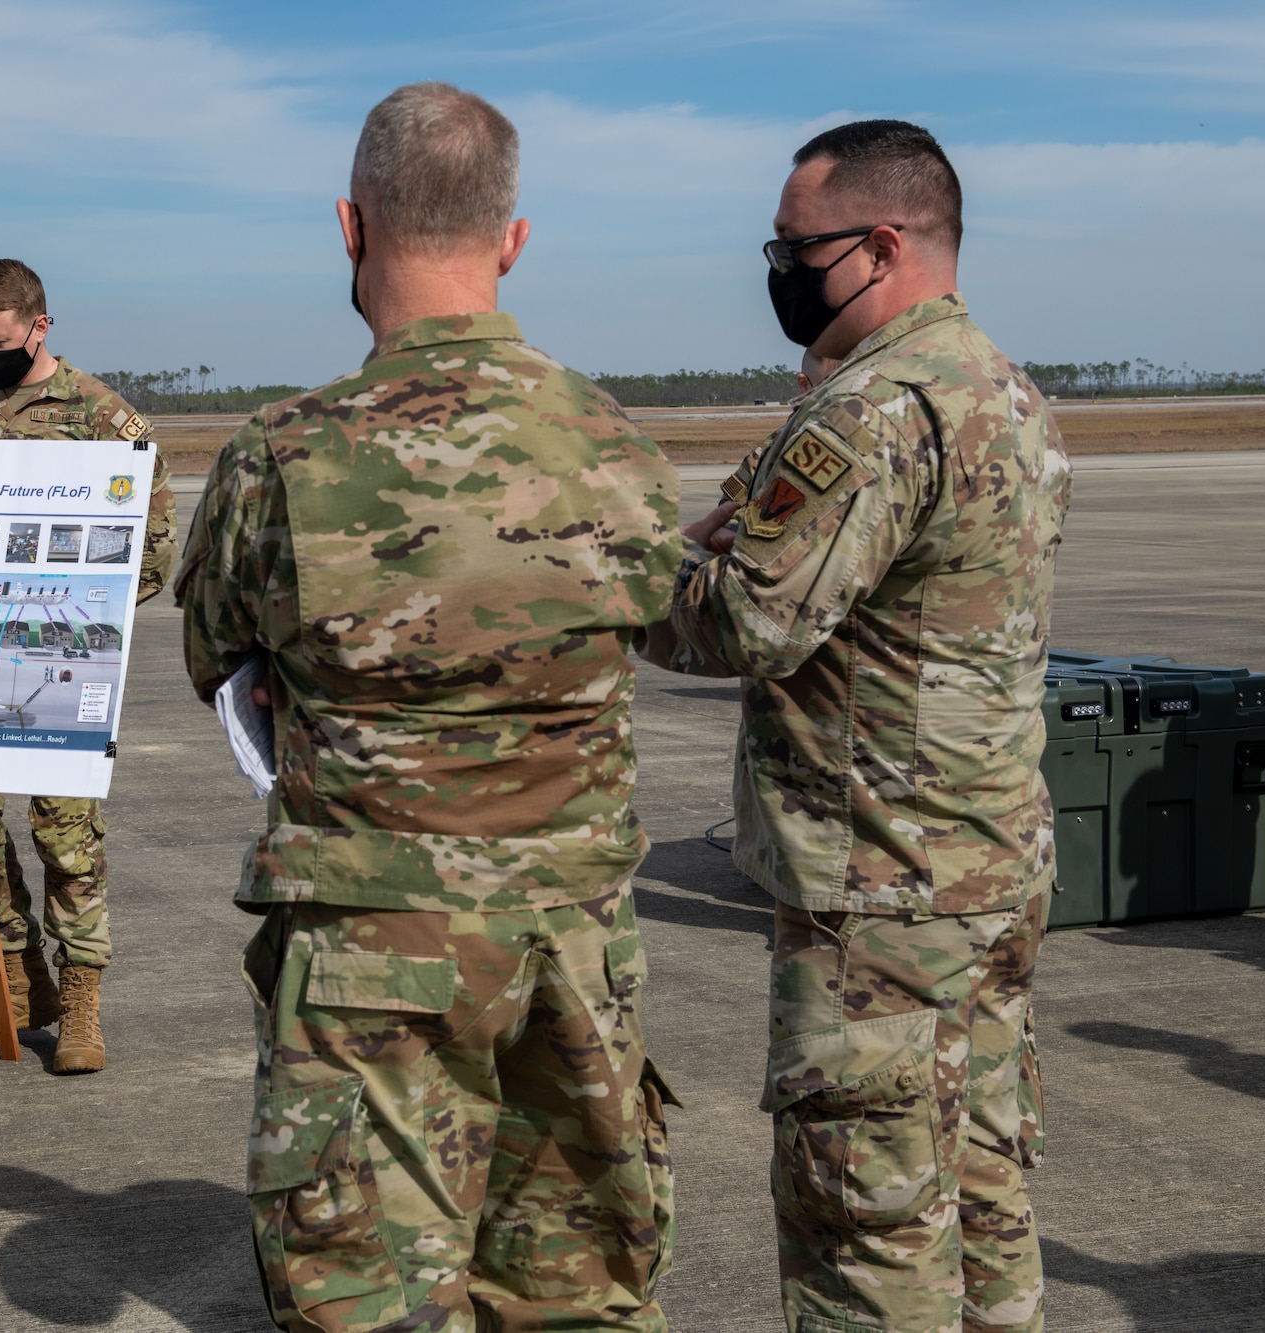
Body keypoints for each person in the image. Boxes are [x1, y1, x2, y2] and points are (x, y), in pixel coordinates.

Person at [177, 83, 685, 1331]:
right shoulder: (614, 445)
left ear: (349, 229)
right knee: (573, 1293)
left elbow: (216, 652)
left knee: (371, 1297)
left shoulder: (282, 455)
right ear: (510, 240)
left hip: (373, 951)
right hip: (572, 941)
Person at [644, 120, 1071, 1332]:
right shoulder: (1000, 389)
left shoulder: (873, 413)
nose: (777, 272)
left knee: (864, 1231)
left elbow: (735, 625)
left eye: (793, 249)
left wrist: (623, 577)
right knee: (980, 1193)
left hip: (879, 896)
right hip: (983, 869)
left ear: (879, 245)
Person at [0, 258, 177, 1072]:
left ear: (39, 326)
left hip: (61, 658)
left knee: (67, 833)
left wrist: (70, 611)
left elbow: (156, 547)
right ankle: (18, 973)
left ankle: (82, 995)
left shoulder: (103, 418)